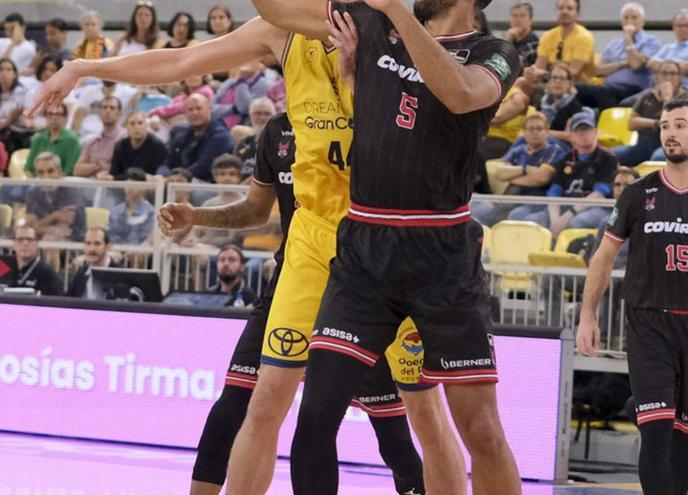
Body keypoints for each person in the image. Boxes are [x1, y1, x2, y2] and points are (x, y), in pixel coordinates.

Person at [27, 11, 431, 495]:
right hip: (312, 240)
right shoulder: (280, 33)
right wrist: (84, 67)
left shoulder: (389, 25)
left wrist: (356, 77)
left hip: (386, 235)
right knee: (261, 404)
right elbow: (183, 59)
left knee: (417, 420)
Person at [248, 0, 524, 493]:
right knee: (315, 416)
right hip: (365, 250)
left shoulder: (494, 52)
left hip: (441, 253)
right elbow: (276, 9)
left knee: (479, 431)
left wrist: (397, 14)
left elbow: (461, 95)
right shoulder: (376, 23)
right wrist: (360, 73)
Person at [159, 112, 424, 494]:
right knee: (232, 408)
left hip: (359, 288)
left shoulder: (369, 111)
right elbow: (255, 209)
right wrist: (196, 216)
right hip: (291, 282)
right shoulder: (278, 130)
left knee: (392, 436)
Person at [577, 98, 688, 495]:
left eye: (680, 125)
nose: (671, 133)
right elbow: (603, 257)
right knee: (655, 432)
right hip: (648, 323)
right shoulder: (639, 193)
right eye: (665, 126)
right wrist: (587, 315)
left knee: (681, 441)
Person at [511, 113, 618, 235]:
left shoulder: (608, 158)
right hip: (564, 206)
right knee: (533, 221)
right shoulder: (564, 159)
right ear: (571, 135)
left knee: (577, 222)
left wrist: (568, 215)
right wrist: (555, 219)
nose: (584, 134)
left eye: (587, 130)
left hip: (595, 207)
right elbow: (554, 193)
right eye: (578, 131)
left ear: (595, 132)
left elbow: (598, 195)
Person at [472, 113, 567, 225]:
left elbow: (541, 178)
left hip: (538, 201)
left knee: (516, 215)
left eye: (539, 128)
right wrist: (524, 169)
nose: (535, 132)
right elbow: (500, 173)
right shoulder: (518, 150)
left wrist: (512, 178)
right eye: (531, 129)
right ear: (524, 133)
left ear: (547, 132)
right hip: (510, 199)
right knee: (476, 207)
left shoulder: (555, 151)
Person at [575, 3, 661, 112]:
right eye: (626, 18)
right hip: (609, 88)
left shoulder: (651, 42)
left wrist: (628, 39)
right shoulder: (613, 44)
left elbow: (634, 64)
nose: (630, 21)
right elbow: (599, 70)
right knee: (574, 90)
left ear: (642, 21)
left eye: (634, 18)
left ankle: (606, 127)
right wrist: (624, 63)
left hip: (635, 90)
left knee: (605, 92)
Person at [614, 61, 687, 167]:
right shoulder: (648, 95)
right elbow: (631, 124)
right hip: (642, 145)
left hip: (670, 145)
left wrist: (667, 99)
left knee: (657, 158)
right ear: (657, 77)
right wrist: (656, 123)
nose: (668, 77)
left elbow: (670, 125)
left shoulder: (685, 98)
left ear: (680, 78)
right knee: (610, 155)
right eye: (664, 73)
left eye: (672, 73)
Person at [166, 94, 234, 182]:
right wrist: (164, 175)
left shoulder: (221, 136)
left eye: (198, 108)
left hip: (206, 184)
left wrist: (176, 178)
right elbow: (168, 161)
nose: (194, 113)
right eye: (190, 110)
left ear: (209, 109)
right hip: (179, 181)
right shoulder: (180, 133)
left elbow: (203, 167)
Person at [527, 0, 595, 84]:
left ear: (578, 14)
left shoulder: (584, 37)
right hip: (549, 82)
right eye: (560, 8)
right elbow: (540, 66)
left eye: (569, 8)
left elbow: (573, 73)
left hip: (576, 85)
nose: (564, 11)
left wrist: (545, 73)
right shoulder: (547, 36)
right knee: (522, 81)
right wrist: (532, 73)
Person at [25, 152, 87, 242]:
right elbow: (30, 226)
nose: (46, 177)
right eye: (41, 172)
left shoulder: (71, 191)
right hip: (41, 237)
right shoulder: (33, 191)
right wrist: (54, 216)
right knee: (21, 238)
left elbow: (62, 230)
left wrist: (38, 226)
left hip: (74, 240)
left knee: (50, 240)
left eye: (50, 171)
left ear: (60, 172)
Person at [74, 96, 126, 178]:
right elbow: (77, 170)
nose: (108, 111)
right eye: (104, 108)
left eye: (112, 108)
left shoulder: (125, 138)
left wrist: (90, 167)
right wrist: (98, 166)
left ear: (120, 113)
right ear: (99, 113)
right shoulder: (92, 141)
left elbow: (124, 168)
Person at [25, 103, 82, 176]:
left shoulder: (72, 139)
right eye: (50, 114)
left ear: (65, 118)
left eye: (58, 114)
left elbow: (69, 170)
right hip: (38, 182)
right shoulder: (38, 139)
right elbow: (28, 168)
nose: (53, 117)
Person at [0, 58, 32, 153]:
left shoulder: (20, 91)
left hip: (19, 133)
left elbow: (15, 114)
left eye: (8, 69)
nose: (4, 73)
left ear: (14, 75)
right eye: (1, 70)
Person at [109, 111, 168, 179]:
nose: (137, 127)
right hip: (124, 187)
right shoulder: (120, 146)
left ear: (146, 125)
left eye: (140, 123)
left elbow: (157, 175)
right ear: (126, 127)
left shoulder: (158, 147)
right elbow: (114, 174)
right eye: (132, 124)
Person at [66, 227, 122, 299]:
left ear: (107, 247)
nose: (91, 249)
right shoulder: (81, 273)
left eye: (97, 244)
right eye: (88, 243)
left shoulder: (120, 273)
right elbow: (68, 300)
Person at [8, 224, 63, 295]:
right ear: (14, 244)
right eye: (20, 240)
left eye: (29, 240)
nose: (25, 243)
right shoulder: (7, 269)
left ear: (37, 244)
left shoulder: (47, 274)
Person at [0, 12, 36, 80]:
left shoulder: (28, 49)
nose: (9, 33)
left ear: (22, 28)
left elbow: (2, 67)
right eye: (7, 29)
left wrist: (13, 43)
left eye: (13, 29)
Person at [541, 63, 589, 142]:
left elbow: (570, 136)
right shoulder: (542, 103)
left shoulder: (574, 107)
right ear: (549, 82)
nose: (557, 81)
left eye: (562, 78)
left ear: (569, 84)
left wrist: (542, 133)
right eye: (554, 77)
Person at [214, 60, 270, 129]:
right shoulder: (230, 82)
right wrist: (233, 108)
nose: (245, 64)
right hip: (220, 125)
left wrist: (242, 80)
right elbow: (212, 108)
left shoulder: (262, 83)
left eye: (250, 60)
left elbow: (244, 108)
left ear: (258, 64)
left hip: (244, 127)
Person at [108, 167, 155, 245]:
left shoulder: (151, 212)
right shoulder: (115, 211)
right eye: (127, 184)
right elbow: (112, 237)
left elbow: (148, 238)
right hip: (118, 253)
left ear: (144, 187)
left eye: (134, 185)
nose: (130, 188)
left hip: (143, 254)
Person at [149, 74, 215, 124]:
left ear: (203, 77)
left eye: (197, 74)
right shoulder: (185, 95)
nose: (192, 77)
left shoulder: (205, 91)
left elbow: (183, 106)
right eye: (188, 75)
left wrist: (158, 111)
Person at [647, 10, 688, 91]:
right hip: (659, 90)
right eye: (679, 26)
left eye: (687, 26)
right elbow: (650, 63)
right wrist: (676, 66)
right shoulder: (667, 48)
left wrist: (663, 66)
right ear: (674, 27)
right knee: (627, 102)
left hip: (684, 91)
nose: (683, 29)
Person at [505, 2, 538, 69]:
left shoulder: (535, 44)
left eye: (522, 16)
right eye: (515, 16)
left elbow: (513, 66)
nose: (518, 19)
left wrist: (507, 42)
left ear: (530, 20)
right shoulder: (511, 40)